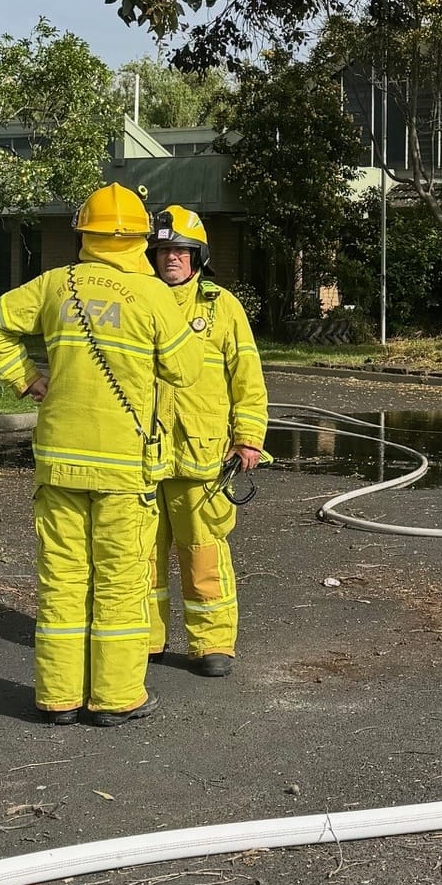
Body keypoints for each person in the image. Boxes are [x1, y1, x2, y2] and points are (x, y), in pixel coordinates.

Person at [0, 183, 198, 729]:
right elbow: (186, 371)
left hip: (58, 462)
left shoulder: (55, 284)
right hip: (124, 467)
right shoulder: (154, 296)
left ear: (85, 234)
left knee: (63, 580)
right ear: (141, 237)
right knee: (120, 583)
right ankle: (116, 698)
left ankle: (58, 697)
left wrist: (27, 378)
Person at [144, 203, 268, 678]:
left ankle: (212, 643)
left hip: (203, 457)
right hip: (144, 456)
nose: (171, 257)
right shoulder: (138, 301)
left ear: (198, 256)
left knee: (203, 554)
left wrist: (249, 439)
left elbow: (247, 378)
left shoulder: (221, 306)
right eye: (163, 251)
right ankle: (145, 638)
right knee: (141, 556)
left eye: (181, 250)